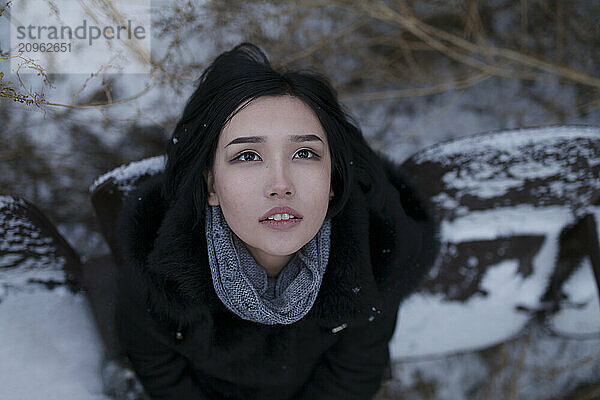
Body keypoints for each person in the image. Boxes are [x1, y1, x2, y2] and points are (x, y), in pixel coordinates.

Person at [115, 42, 439, 400]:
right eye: (248, 155)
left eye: (304, 153)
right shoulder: (157, 265)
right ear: (211, 185)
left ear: (333, 179)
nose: (281, 185)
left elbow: (357, 369)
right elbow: (155, 363)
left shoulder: (376, 253)